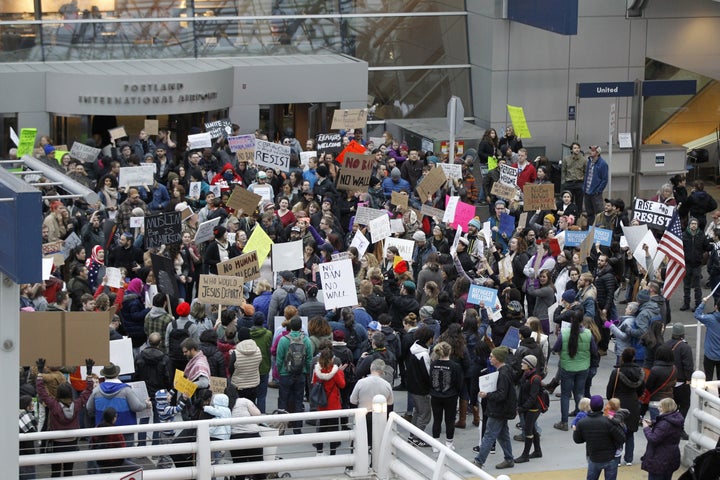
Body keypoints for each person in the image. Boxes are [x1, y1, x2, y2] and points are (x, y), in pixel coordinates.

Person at [35, 358, 94, 477]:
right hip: (72, 441)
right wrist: (89, 372)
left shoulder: (53, 405)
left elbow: (42, 392)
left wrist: (40, 372)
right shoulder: (77, 405)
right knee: (68, 470)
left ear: (58, 394)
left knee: (55, 471)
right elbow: (88, 391)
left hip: (56, 441)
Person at [473, 346, 517, 470]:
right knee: (503, 435)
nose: (490, 358)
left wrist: (487, 395)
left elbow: (501, 395)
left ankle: (479, 462)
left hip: (498, 410)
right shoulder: (506, 370)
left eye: (492, 356)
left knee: (489, 435)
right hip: (504, 409)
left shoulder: (502, 374)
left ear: (498, 359)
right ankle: (509, 459)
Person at [553, 311, 596, 431]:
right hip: (583, 367)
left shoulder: (564, 333)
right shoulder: (588, 333)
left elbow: (556, 348)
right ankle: (582, 418)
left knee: (565, 395)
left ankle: (564, 422)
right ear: (582, 320)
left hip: (567, 367)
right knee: (579, 393)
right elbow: (594, 350)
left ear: (571, 320)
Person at [605, 347, 644, 466]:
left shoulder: (616, 372)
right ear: (633, 358)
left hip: (618, 403)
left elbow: (610, 389)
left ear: (622, 358)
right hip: (633, 402)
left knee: (617, 430)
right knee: (630, 432)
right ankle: (629, 459)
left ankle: (617, 458)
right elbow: (641, 390)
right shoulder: (640, 372)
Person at [573, 395, 625, 480]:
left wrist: (577, 431)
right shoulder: (609, 421)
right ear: (602, 406)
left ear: (591, 406)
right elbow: (621, 438)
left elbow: (577, 440)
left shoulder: (582, 422)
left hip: (593, 457)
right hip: (610, 457)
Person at [429, 341, 464, 452]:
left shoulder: (433, 364)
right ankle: (449, 444)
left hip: (435, 395)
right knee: (450, 420)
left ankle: (435, 444)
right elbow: (459, 382)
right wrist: (457, 392)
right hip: (451, 396)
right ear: (450, 351)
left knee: (437, 419)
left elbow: (431, 379)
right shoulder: (455, 366)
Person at [311, 346, 347, 456]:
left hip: (322, 402)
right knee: (334, 430)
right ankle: (332, 453)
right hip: (334, 403)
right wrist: (340, 372)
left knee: (321, 428)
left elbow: (313, 382)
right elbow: (342, 384)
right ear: (331, 359)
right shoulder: (335, 371)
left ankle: (319, 451)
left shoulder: (317, 370)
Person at [641, 398, 684, 480]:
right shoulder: (676, 418)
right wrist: (653, 423)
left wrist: (646, 428)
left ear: (665, 408)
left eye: (660, 407)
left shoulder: (664, 424)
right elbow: (666, 429)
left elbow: (653, 439)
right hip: (671, 457)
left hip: (659, 459)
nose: (658, 408)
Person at [663, 323, 694, 439]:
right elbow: (688, 366)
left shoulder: (666, 345)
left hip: (667, 381)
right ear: (683, 334)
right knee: (685, 405)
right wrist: (688, 379)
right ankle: (679, 427)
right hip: (681, 382)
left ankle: (669, 427)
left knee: (671, 406)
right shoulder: (685, 347)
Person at [90, 407, 142, 473]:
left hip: (101, 461)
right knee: (139, 470)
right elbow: (123, 446)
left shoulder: (97, 428)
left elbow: (92, 445)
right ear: (114, 418)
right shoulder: (115, 431)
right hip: (116, 461)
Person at [514, 354, 543, 463]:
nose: (521, 364)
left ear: (529, 365)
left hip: (533, 408)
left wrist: (522, 408)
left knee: (528, 430)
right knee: (533, 429)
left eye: (524, 363)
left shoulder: (535, 378)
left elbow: (533, 397)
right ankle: (537, 451)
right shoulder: (526, 374)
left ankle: (525, 455)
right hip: (528, 407)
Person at [681, 217, 711, 311]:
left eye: (695, 223)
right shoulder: (684, 235)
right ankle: (686, 304)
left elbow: (707, 247)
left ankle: (697, 304)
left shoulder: (701, 235)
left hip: (697, 265)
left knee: (697, 287)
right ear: (689, 225)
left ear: (697, 225)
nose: (693, 225)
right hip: (687, 264)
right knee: (686, 286)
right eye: (692, 223)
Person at [695, 295, 720, 380]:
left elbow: (697, 314)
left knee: (708, 379)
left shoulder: (710, 319)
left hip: (710, 355)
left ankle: (707, 393)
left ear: (716, 306)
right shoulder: (711, 319)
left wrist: (703, 302)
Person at [583, 145, 608, 221]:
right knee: (589, 213)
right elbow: (587, 175)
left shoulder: (603, 164)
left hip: (595, 193)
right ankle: (589, 229)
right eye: (591, 150)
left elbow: (604, 179)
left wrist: (598, 190)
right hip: (587, 191)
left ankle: (599, 228)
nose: (591, 152)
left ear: (597, 153)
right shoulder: (589, 161)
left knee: (599, 212)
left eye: (593, 151)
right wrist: (584, 188)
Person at [562, 142, 585, 212]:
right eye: (575, 148)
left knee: (579, 202)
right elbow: (563, 170)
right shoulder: (566, 159)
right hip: (569, 182)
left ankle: (578, 216)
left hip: (579, 182)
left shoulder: (584, 159)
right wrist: (564, 181)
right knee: (568, 201)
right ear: (571, 150)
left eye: (578, 148)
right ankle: (568, 215)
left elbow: (585, 171)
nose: (577, 150)